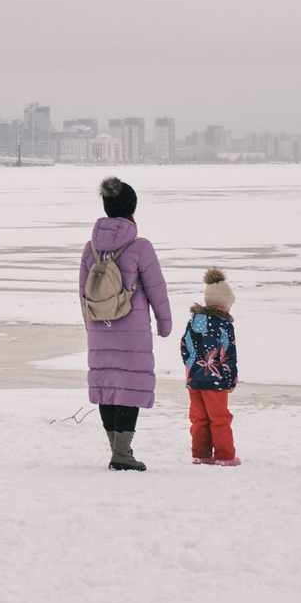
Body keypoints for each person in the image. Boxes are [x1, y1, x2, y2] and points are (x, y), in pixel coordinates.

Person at [83, 177, 172, 471]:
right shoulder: (140, 247)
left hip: (98, 325)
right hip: (131, 331)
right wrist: (165, 323)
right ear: (132, 208)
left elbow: (82, 290)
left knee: (107, 384)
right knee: (130, 385)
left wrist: (90, 324)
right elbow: (157, 289)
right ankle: (122, 453)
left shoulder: (90, 248)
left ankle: (116, 449)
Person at [179, 267, 239, 464]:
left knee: (199, 418)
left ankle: (201, 454)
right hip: (216, 381)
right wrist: (230, 380)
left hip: (195, 379)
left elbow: (184, 346)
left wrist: (190, 368)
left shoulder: (194, 321)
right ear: (224, 304)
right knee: (219, 418)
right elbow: (228, 354)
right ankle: (224, 456)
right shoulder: (224, 325)